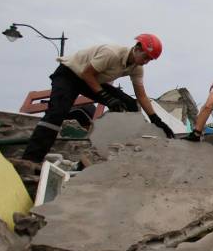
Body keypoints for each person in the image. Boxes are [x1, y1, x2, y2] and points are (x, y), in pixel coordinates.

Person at [22, 34, 172, 163]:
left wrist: (156, 120)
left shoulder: (137, 68)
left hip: (91, 80)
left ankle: (125, 148)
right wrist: (105, 97)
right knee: (57, 114)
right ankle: (31, 159)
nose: (146, 61)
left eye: (150, 60)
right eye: (145, 57)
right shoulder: (111, 53)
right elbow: (87, 73)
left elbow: (142, 96)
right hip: (70, 75)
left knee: (129, 104)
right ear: (137, 48)